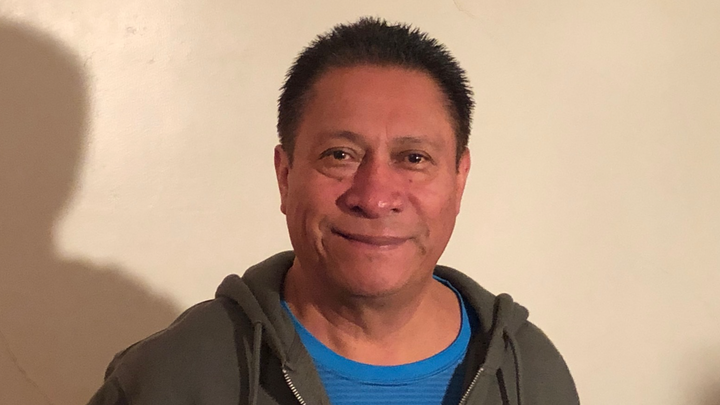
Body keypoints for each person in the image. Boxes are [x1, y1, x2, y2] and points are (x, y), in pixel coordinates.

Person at [88, 17, 579, 405]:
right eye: (340, 155)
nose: (375, 197)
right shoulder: (172, 377)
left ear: (459, 179)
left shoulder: (530, 374)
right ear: (285, 175)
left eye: (414, 158)